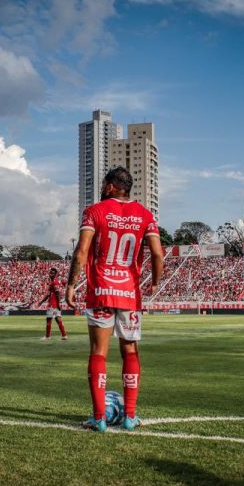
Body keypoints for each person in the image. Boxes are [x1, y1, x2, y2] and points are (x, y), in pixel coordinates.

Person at [66, 166, 164, 433]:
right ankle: (130, 417)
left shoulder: (95, 211)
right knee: (130, 351)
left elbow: (81, 251)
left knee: (98, 353)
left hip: (100, 291)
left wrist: (72, 284)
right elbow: (157, 254)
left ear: (110, 186)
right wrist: (155, 281)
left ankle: (99, 419)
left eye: (103, 183)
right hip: (129, 294)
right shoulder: (145, 215)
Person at [38, 268, 67, 340]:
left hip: (53, 304)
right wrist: (41, 302)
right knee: (58, 319)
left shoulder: (54, 282)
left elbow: (57, 293)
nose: (50, 274)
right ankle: (64, 335)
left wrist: (59, 304)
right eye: (50, 273)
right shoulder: (54, 282)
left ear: (55, 274)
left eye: (52, 273)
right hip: (55, 304)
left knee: (49, 319)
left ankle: (48, 336)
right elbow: (48, 294)